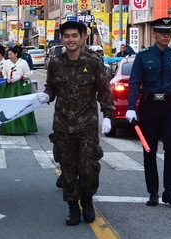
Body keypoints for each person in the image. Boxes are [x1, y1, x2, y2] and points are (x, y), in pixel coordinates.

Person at [43, 21, 114, 226]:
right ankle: (73, 208)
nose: (71, 39)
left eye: (75, 35)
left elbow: (104, 89)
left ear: (83, 37)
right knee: (68, 169)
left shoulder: (93, 62)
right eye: (67, 36)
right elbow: (51, 87)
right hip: (63, 125)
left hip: (87, 126)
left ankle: (88, 201)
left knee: (89, 167)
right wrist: (45, 96)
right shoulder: (56, 63)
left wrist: (108, 115)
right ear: (62, 38)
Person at [126, 17, 171, 208]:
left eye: (169, 33)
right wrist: (130, 108)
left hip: (169, 107)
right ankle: (152, 192)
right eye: (162, 33)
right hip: (149, 107)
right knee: (149, 149)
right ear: (154, 34)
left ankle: (169, 191)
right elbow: (135, 82)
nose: (166, 36)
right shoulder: (143, 56)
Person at [0, 45, 38, 135]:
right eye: (8, 55)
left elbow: (27, 74)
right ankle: (9, 128)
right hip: (10, 87)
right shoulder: (7, 63)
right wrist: (7, 78)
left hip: (20, 87)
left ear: (16, 54)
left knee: (22, 106)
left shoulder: (23, 62)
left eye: (11, 54)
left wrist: (20, 77)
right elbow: (4, 73)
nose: (9, 56)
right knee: (10, 107)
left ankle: (23, 127)